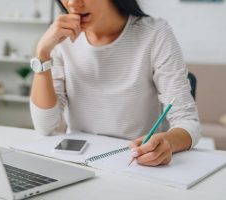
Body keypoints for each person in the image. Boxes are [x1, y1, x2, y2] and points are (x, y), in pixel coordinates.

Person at [29, 0, 201, 166]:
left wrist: (167, 143)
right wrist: (42, 53)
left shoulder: (155, 34)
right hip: (79, 161)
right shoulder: (61, 38)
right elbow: (45, 126)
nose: (73, 3)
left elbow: (187, 122)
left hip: (134, 163)